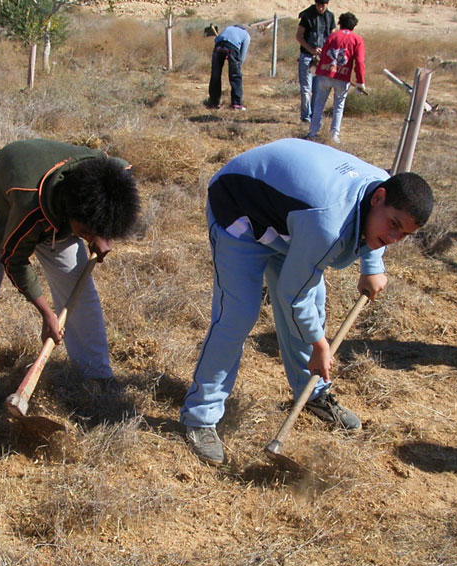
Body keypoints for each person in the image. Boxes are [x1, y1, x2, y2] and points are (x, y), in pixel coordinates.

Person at [181, 138, 434, 465]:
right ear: (379, 198)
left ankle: (311, 394)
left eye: (404, 235)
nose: (394, 238)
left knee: (313, 305)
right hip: (239, 206)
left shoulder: (380, 188)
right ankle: (200, 416)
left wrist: (373, 265)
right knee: (237, 315)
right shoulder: (327, 222)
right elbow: (291, 294)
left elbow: (305, 290)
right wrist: (319, 346)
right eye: (394, 227)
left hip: (287, 216)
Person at [0, 139, 140, 446]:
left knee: (80, 292)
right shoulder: (28, 202)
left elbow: (120, 174)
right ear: (72, 212)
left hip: (55, 212)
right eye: (86, 231)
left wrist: (99, 232)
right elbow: (13, 260)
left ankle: (98, 377)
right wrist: (46, 313)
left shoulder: (102, 176)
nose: (88, 237)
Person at [306, 12, 366, 144]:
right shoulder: (357, 40)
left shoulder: (332, 36)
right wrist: (360, 81)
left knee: (318, 104)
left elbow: (323, 55)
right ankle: (334, 135)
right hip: (342, 77)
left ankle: (313, 132)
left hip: (325, 74)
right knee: (338, 106)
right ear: (353, 26)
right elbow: (360, 62)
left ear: (340, 24)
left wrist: (317, 69)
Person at [296, 0, 336, 123]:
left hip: (322, 59)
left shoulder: (330, 17)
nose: (320, 8)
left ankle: (315, 115)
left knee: (318, 89)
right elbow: (299, 36)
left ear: (327, 4)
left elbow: (332, 37)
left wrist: (326, 51)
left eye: (323, 6)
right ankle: (306, 116)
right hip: (307, 57)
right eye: (318, 5)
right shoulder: (307, 16)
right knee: (306, 88)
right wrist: (311, 49)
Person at [207, 24, 251, 110]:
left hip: (218, 46)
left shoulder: (228, 28)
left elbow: (216, 40)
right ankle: (237, 104)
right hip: (232, 47)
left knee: (215, 75)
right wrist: (238, 66)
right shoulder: (246, 35)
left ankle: (213, 103)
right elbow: (242, 54)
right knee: (235, 76)